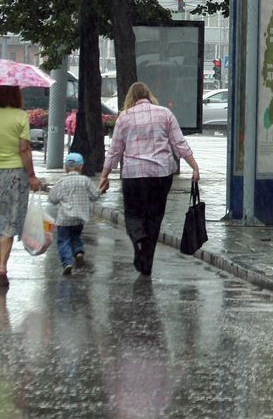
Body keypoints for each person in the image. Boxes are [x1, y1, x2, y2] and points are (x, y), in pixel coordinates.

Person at [99, 82, 200, 276]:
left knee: (133, 214)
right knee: (154, 217)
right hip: (161, 174)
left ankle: (138, 237)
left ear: (130, 98)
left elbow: (115, 150)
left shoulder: (124, 118)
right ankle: (146, 263)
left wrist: (105, 174)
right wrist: (194, 167)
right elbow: (179, 143)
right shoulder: (165, 114)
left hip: (134, 175)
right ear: (149, 95)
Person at [0, 85, 43, 287]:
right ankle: (4, 266)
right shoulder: (21, 116)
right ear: (16, 94)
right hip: (15, 174)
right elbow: (24, 149)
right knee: (9, 220)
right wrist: (32, 176)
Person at [48, 152, 101, 275]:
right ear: (81, 166)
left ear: (65, 167)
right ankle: (78, 252)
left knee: (63, 240)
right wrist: (101, 190)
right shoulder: (85, 181)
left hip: (64, 219)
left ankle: (67, 263)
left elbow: (52, 199)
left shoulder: (61, 182)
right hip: (80, 219)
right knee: (75, 236)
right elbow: (95, 196)